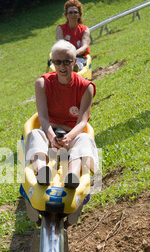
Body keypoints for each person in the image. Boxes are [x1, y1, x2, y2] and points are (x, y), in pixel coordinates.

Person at [25, 40, 98, 189]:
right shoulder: (42, 83)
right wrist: (52, 138)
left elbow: (82, 122)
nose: (62, 67)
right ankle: (41, 171)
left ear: (75, 62)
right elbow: (43, 118)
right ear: (53, 63)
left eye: (66, 62)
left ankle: (72, 175)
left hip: (72, 134)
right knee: (34, 135)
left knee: (84, 139)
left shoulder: (86, 87)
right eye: (57, 62)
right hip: (49, 132)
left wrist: (68, 138)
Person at [56, 0, 90, 71]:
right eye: (70, 13)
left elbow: (85, 46)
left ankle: (75, 68)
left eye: (75, 12)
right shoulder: (61, 29)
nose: (73, 15)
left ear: (79, 15)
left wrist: (75, 53)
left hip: (79, 56)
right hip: (64, 57)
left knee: (77, 62)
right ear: (66, 15)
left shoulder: (84, 30)